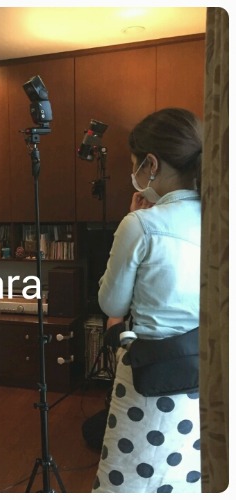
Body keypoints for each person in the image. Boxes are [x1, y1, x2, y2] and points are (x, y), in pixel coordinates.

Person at [91, 108, 202, 493]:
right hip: (201, 374)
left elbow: (112, 305)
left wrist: (130, 223)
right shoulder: (218, 215)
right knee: (182, 479)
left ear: (151, 164)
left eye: (135, 165)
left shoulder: (140, 224)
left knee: (126, 481)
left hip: (149, 375)